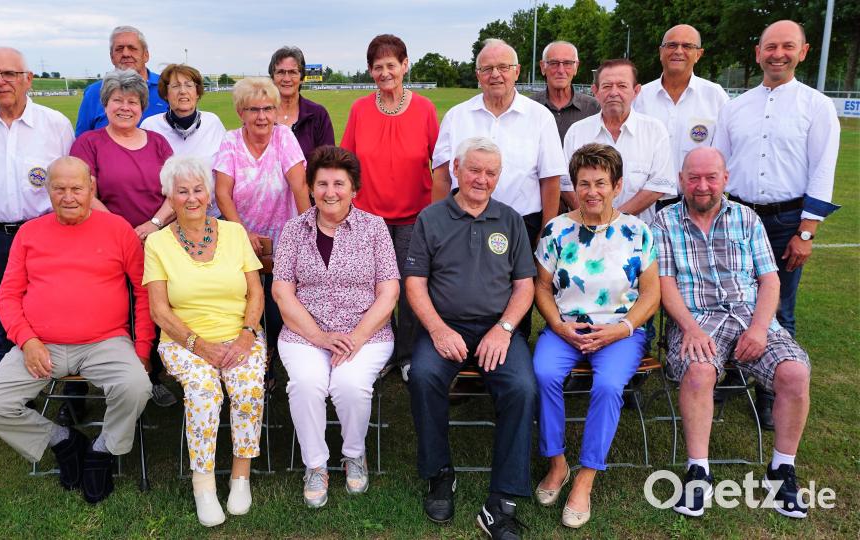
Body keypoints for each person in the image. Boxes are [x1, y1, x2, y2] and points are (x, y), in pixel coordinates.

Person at [0, 156, 153, 505]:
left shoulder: (117, 230)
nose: (68, 196)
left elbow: (144, 292)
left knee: (135, 386)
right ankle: (63, 441)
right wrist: (27, 340)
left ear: (91, 189)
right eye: (59, 189)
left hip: (106, 340)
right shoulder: (30, 233)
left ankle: (102, 451)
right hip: (41, 344)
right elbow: (8, 296)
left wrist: (142, 349)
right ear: (48, 190)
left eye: (76, 188)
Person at [653, 147, 813, 520]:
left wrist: (760, 328)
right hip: (697, 318)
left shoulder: (747, 218)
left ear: (726, 179)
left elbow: (770, 280)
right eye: (694, 178)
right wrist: (689, 329)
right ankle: (699, 471)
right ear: (681, 180)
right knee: (699, 372)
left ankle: (782, 469)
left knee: (794, 372)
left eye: (711, 177)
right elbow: (665, 283)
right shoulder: (664, 222)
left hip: (749, 316)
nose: (702, 186)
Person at [405, 137, 536, 540]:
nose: (481, 179)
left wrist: (505, 328)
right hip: (445, 327)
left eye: (490, 173)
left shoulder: (511, 219)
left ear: (499, 176)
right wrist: (438, 329)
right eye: (474, 170)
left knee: (522, 387)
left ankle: (503, 498)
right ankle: (440, 475)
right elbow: (415, 282)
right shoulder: (431, 218)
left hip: (497, 330)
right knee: (424, 376)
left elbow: (525, 285)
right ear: (456, 169)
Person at [713, 20, 840, 429]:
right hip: (738, 217)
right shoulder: (735, 107)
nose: (778, 54)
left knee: (780, 305)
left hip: (788, 220)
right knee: (731, 297)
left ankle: (771, 390)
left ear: (803, 52)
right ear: (758, 53)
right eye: (770, 46)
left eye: (787, 47)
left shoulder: (816, 106)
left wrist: (807, 231)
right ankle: (734, 372)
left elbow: (823, 169)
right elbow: (719, 164)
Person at [532, 143, 660, 528]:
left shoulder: (637, 231)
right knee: (543, 374)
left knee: (607, 386)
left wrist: (621, 328)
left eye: (600, 183)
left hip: (620, 330)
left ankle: (585, 477)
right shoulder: (557, 229)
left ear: (617, 185)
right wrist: (557, 325)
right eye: (584, 183)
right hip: (566, 326)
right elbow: (541, 286)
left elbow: (652, 292)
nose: (592, 191)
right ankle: (557, 463)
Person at [272, 146, 400, 508]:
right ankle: (315, 465)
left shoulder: (374, 229)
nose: (331, 191)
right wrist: (320, 337)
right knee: (307, 384)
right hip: (304, 334)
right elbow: (282, 291)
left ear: (354, 189)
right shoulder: (294, 230)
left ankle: (354, 454)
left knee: (349, 384)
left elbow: (389, 291)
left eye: (339, 183)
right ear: (310, 188)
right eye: (322, 183)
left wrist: (356, 338)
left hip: (366, 334)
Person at [145, 155, 267, 526]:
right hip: (184, 341)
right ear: (169, 196)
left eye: (198, 189)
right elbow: (159, 311)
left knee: (247, 387)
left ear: (209, 192)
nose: (192, 197)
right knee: (204, 390)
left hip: (239, 334)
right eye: (182, 191)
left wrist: (247, 334)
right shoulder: (158, 243)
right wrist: (200, 346)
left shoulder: (233, 233)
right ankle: (203, 484)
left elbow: (256, 292)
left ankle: (240, 475)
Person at [0, 46, 74, 387]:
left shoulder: (55, 124)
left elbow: (72, 178)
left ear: (28, 79)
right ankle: (1, 364)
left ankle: (62, 373)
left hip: (44, 232)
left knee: (51, 301)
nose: (0, 81)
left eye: (10, 74)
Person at [433, 38, 567, 340]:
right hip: (461, 221)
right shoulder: (457, 116)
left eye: (503, 67)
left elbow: (550, 180)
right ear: (478, 74)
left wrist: (545, 232)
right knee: (462, 288)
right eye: (488, 68)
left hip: (521, 223)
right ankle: (459, 354)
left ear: (517, 71)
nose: (496, 74)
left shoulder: (539, 117)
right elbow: (441, 175)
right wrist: (437, 223)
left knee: (519, 287)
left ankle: (511, 350)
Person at [70, 68, 178, 409]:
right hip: (106, 242)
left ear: (142, 106)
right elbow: (85, 192)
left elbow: (176, 191)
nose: (125, 107)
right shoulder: (89, 143)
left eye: (132, 101)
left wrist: (154, 224)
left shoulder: (158, 143)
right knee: (117, 309)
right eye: (117, 100)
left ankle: (151, 375)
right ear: (105, 104)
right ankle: (113, 377)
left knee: (156, 306)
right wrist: (121, 229)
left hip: (155, 240)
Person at [341, 34, 439, 382]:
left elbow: (438, 164)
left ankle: (409, 353)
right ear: (370, 71)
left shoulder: (425, 109)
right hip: (369, 219)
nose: (385, 72)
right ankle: (384, 349)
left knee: (412, 288)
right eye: (378, 67)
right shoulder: (359, 109)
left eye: (391, 65)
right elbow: (347, 162)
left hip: (415, 216)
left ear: (405, 65)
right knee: (375, 289)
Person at [214, 76, 310, 355]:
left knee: (277, 304)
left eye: (268, 109)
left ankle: (276, 355)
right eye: (253, 109)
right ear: (240, 112)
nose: (261, 116)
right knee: (246, 300)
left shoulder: (284, 136)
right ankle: (255, 353)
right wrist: (243, 233)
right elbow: (222, 193)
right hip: (240, 234)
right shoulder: (230, 141)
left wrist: (306, 232)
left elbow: (299, 186)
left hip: (283, 232)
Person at [562, 59, 676, 224]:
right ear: (595, 91)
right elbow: (566, 185)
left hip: (637, 236)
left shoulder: (655, 131)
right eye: (607, 86)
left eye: (622, 86)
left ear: (636, 91)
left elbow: (657, 187)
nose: (614, 92)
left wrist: (612, 221)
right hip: (585, 232)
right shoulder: (577, 132)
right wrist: (591, 219)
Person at [633, 24, 729, 206]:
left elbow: (725, 153)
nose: (678, 51)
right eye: (671, 45)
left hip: (694, 204)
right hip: (644, 204)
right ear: (661, 52)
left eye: (687, 46)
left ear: (699, 54)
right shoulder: (641, 97)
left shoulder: (715, 96)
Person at [140, 63, 226, 218]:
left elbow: (225, 170)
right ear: (165, 93)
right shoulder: (150, 126)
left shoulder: (213, 122)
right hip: (166, 219)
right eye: (175, 86)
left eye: (189, 85)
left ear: (197, 92)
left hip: (211, 215)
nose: (183, 91)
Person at [75, 25, 168, 136]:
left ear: (146, 55)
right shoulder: (94, 92)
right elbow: (81, 140)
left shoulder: (166, 87)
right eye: (119, 49)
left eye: (132, 48)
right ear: (112, 57)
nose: (126, 54)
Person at [268, 46, 335, 160]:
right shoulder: (260, 114)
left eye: (293, 72)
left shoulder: (318, 115)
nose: (286, 78)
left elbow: (328, 162)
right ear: (273, 77)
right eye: (280, 72)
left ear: (302, 77)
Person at [531, 40, 600, 142]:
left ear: (576, 67)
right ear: (543, 67)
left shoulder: (594, 108)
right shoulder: (529, 108)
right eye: (554, 63)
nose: (561, 70)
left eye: (567, 63)